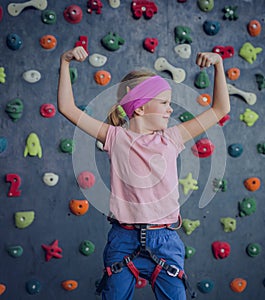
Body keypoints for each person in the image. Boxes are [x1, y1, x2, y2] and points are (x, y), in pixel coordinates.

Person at [57, 46, 230, 300]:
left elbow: (219, 109)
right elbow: (67, 108)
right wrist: (64, 62)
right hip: (122, 239)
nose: (170, 110)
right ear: (139, 108)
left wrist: (218, 65)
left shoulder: (172, 138)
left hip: (165, 240)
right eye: (164, 103)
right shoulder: (115, 137)